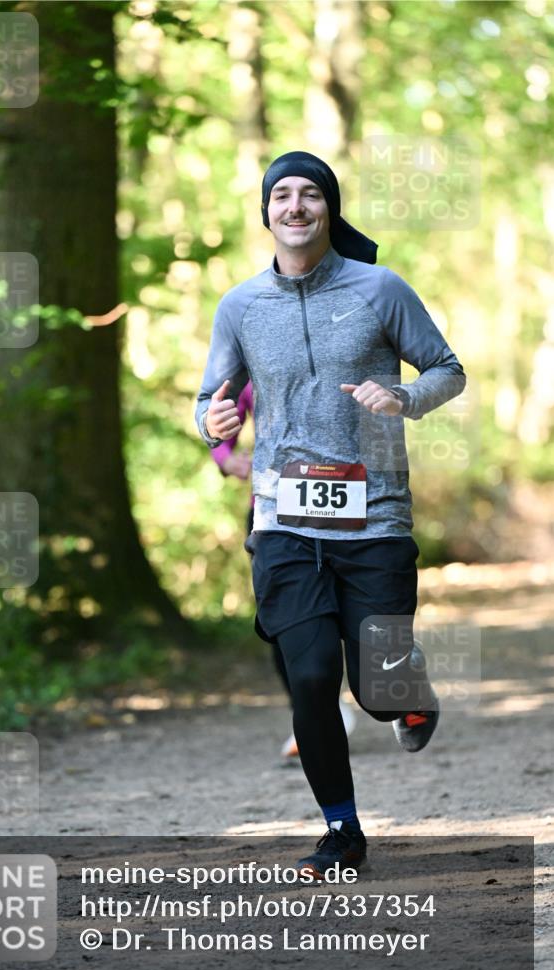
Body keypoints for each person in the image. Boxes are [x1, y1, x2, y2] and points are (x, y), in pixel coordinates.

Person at [195, 150, 466, 877]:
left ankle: (406, 694)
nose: (294, 206)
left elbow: (447, 369)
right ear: (266, 212)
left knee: (376, 690)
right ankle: (341, 831)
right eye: (280, 195)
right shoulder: (240, 306)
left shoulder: (380, 289)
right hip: (283, 519)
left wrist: (402, 397)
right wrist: (211, 424)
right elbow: (207, 399)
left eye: (309, 194)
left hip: (375, 516)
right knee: (311, 675)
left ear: (328, 208)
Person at [210, 381, 356, 757]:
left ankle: (383, 689)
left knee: (350, 606)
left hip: (351, 501)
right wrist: (225, 458)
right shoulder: (251, 359)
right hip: (274, 512)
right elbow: (220, 420)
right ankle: (311, 711)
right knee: (283, 617)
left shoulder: (346, 352)